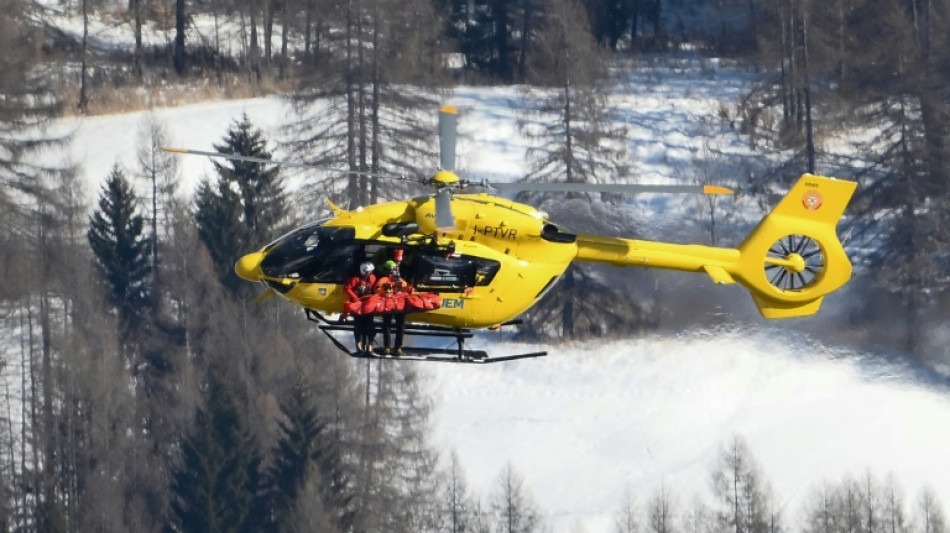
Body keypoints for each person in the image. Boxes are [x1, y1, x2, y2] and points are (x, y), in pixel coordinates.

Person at [374, 259, 412, 355]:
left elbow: (406, 288)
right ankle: (387, 347)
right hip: (388, 305)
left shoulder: (400, 280)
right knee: (387, 325)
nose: (396, 271)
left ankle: (398, 347)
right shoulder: (384, 280)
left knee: (401, 326)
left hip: (399, 305)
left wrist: (410, 287)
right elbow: (377, 290)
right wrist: (385, 290)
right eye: (394, 269)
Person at [345, 262, 376, 353]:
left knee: (370, 325)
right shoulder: (356, 279)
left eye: (371, 271)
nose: (370, 273)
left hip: (367, 305)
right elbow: (347, 288)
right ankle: (359, 343)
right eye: (369, 272)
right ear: (364, 271)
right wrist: (355, 298)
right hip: (357, 305)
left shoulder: (373, 278)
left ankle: (370, 343)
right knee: (358, 325)